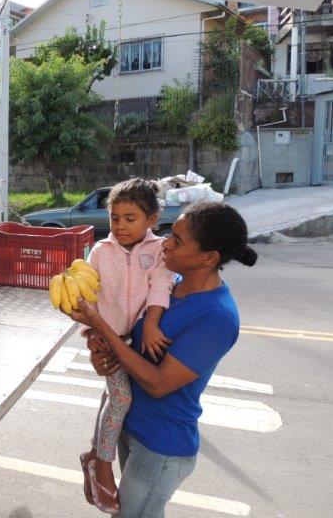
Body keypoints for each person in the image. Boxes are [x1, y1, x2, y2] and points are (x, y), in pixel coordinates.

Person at [72, 201, 257, 517]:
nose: (165, 244)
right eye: (170, 233)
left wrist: (99, 324)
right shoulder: (170, 286)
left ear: (208, 258)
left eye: (178, 241)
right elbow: (131, 343)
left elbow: (159, 384)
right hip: (130, 425)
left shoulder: (218, 317)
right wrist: (102, 352)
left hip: (161, 445)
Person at [81, 179, 175, 513]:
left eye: (129, 218)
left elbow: (162, 285)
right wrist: (91, 334)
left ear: (150, 220)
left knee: (113, 397)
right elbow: (86, 297)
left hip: (138, 339)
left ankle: (93, 453)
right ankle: (103, 463)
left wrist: (151, 321)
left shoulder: (159, 250)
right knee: (121, 397)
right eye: (114, 217)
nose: (120, 225)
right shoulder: (100, 252)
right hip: (109, 341)